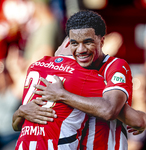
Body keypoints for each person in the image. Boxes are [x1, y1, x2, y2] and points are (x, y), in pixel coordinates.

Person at [13, 10, 146, 150]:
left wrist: (62, 95)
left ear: (102, 41)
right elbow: (17, 124)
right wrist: (20, 111)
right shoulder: (73, 75)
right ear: (66, 46)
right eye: (74, 43)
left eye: (87, 42)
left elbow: (112, 111)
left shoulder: (113, 66)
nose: (80, 49)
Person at [13, 36, 107, 150]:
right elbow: (113, 108)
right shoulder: (87, 76)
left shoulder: (35, 66)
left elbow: (16, 126)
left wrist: (20, 111)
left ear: (67, 44)